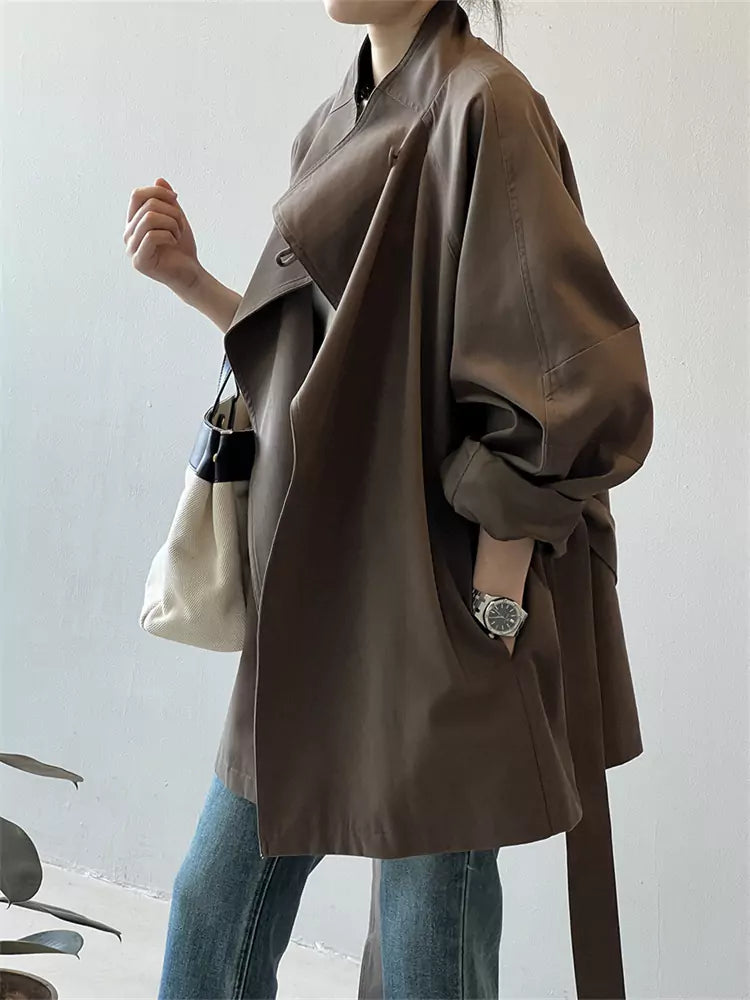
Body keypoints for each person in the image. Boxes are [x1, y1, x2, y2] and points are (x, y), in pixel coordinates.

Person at [124, 1, 653, 997]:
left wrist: (492, 603)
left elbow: (571, 384)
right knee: (211, 907)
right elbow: (318, 374)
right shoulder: (332, 125)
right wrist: (193, 280)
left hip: (438, 601)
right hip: (320, 588)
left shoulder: (488, 107)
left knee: (426, 953)